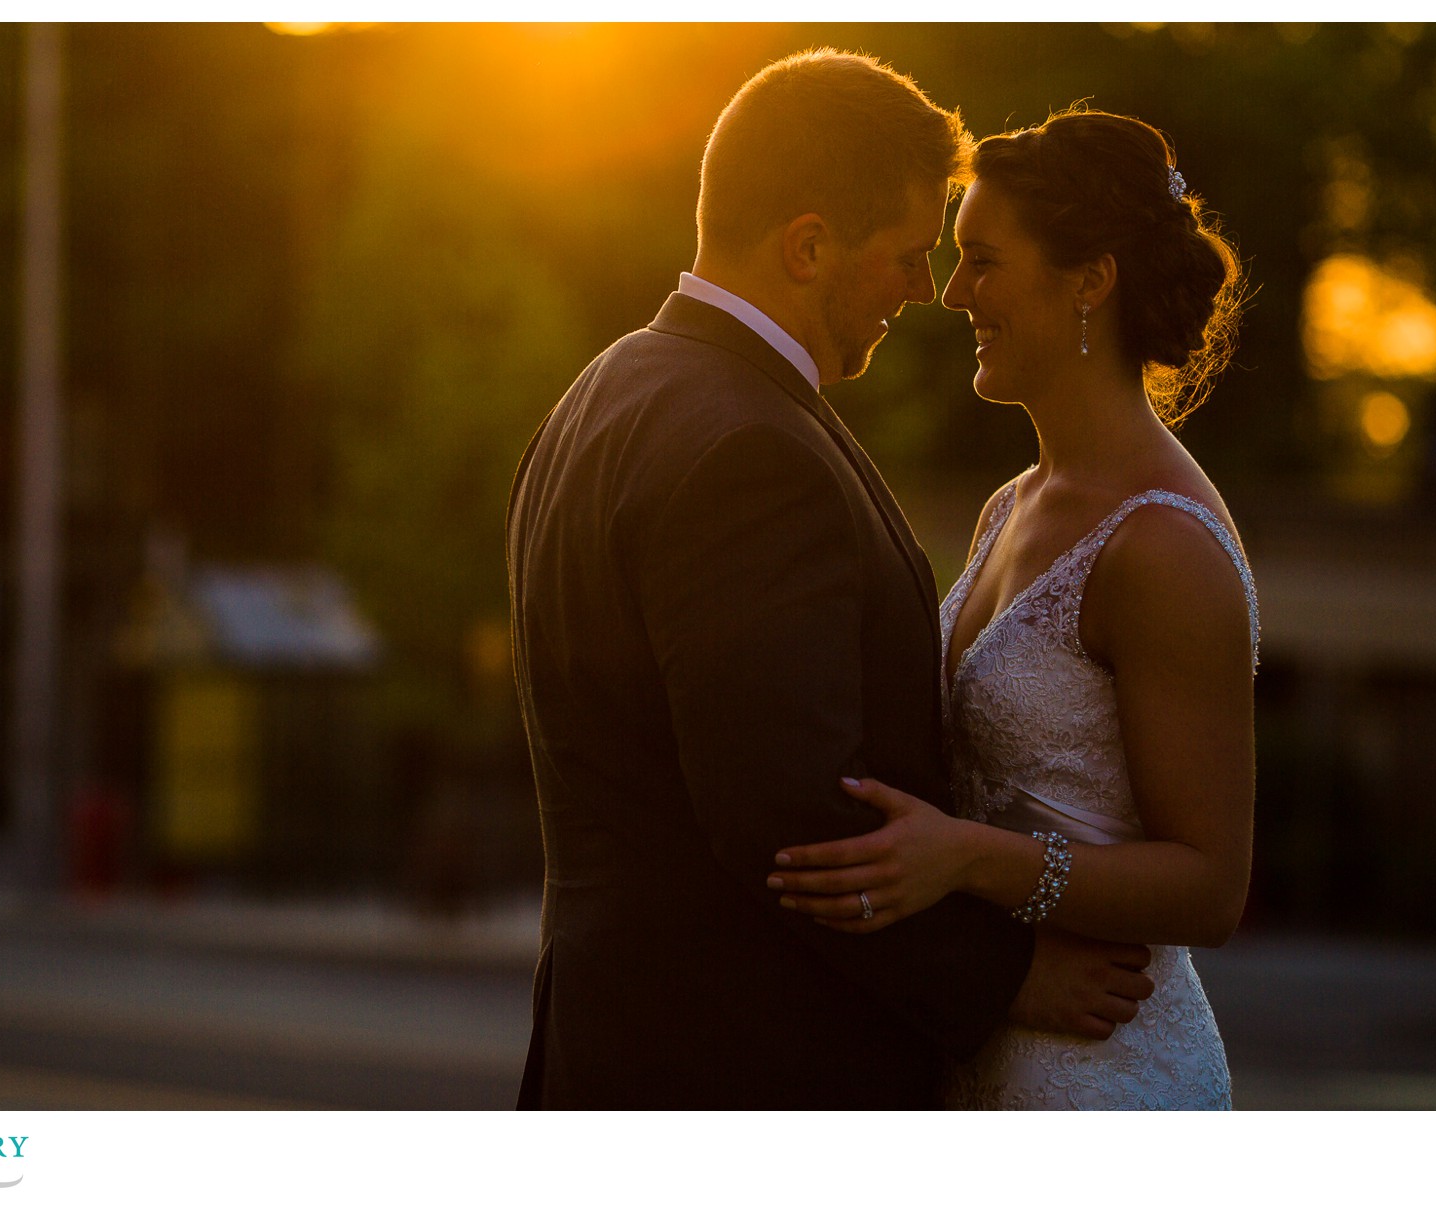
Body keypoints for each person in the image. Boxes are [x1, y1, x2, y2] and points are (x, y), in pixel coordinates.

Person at [506, 54, 1155, 1109]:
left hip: (615, 1050)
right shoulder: (748, 452)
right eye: (906, 255)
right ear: (808, 245)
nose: (926, 289)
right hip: (742, 1070)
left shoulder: (610, 386)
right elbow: (789, 815)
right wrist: (1004, 979)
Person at [768, 107, 1254, 1109]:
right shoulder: (1012, 504)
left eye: (981, 262)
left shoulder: (1162, 547)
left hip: (1102, 1069)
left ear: (1089, 280)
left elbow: (1210, 887)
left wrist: (964, 861)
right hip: (990, 1038)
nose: (951, 296)